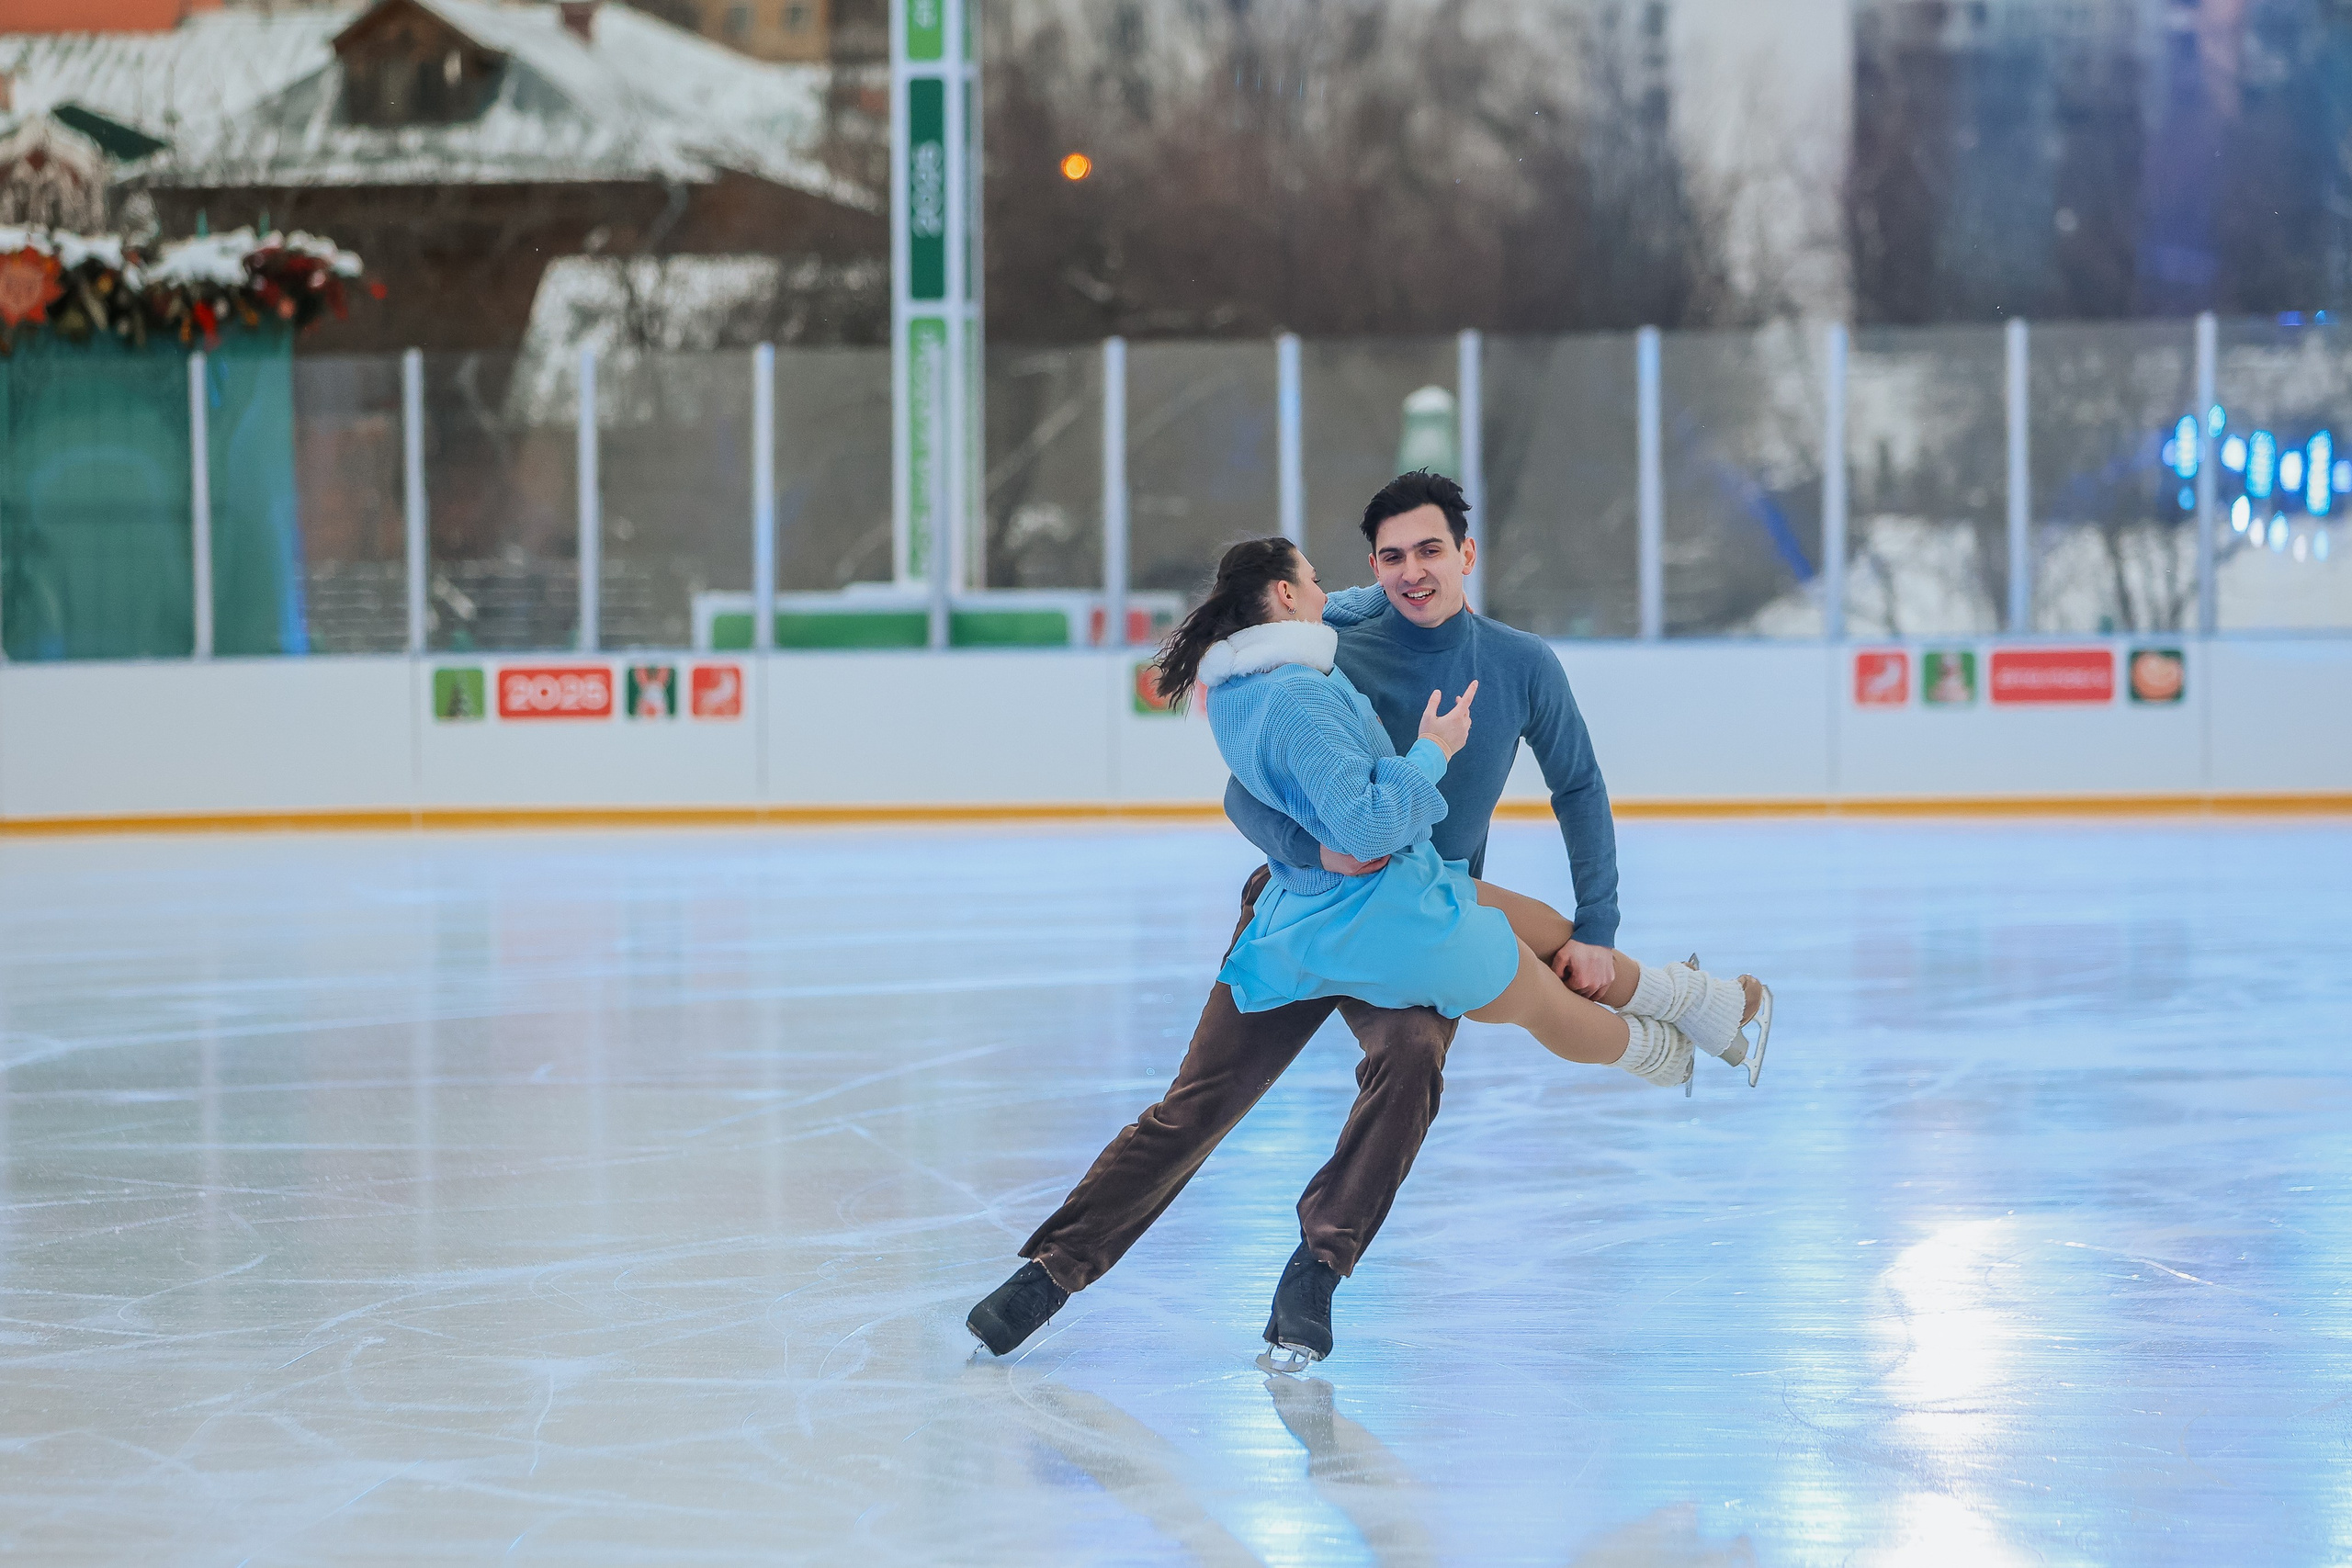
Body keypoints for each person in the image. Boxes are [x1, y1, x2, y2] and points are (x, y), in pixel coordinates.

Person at [967, 473, 1770, 1368]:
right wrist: (1313, 852)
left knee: (1411, 1061)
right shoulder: (1326, 639)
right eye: (1390, 557)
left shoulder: (1518, 664)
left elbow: (1577, 787)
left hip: (1417, 911)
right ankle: (1049, 1273)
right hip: (1299, 907)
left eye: (1430, 551)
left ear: (1465, 554)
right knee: (1200, 1103)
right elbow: (1242, 786)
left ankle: (1315, 1272)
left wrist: (1598, 924)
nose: (1410, 572)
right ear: (1370, 567)